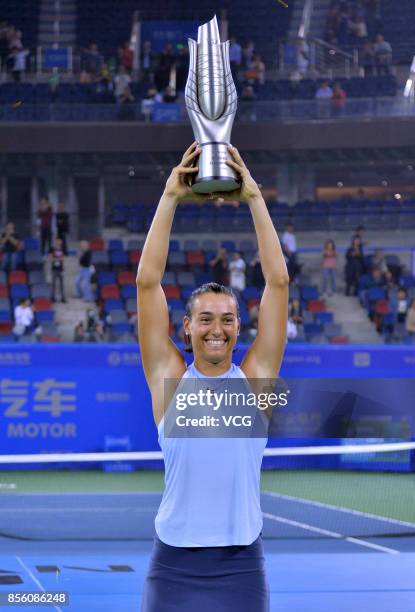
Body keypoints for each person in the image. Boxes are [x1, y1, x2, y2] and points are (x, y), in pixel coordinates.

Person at [137, 142, 289, 612]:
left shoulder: (257, 382)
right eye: (205, 318)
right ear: (187, 327)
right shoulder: (169, 379)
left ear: (239, 327)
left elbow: (278, 283)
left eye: (226, 318)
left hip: (242, 566)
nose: (216, 329)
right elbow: (147, 282)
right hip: (173, 566)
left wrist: (254, 199)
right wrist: (169, 198)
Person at [49, 238, 66, 303]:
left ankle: (63, 297)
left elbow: (63, 258)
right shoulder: (52, 249)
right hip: (54, 269)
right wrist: (58, 258)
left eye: (59, 241)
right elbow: (51, 258)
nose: (58, 242)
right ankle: (52, 297)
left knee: (62, 284)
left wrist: (56, 258)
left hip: (61, 269)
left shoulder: (62, 249)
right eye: (57, 241)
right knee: (53, 284)